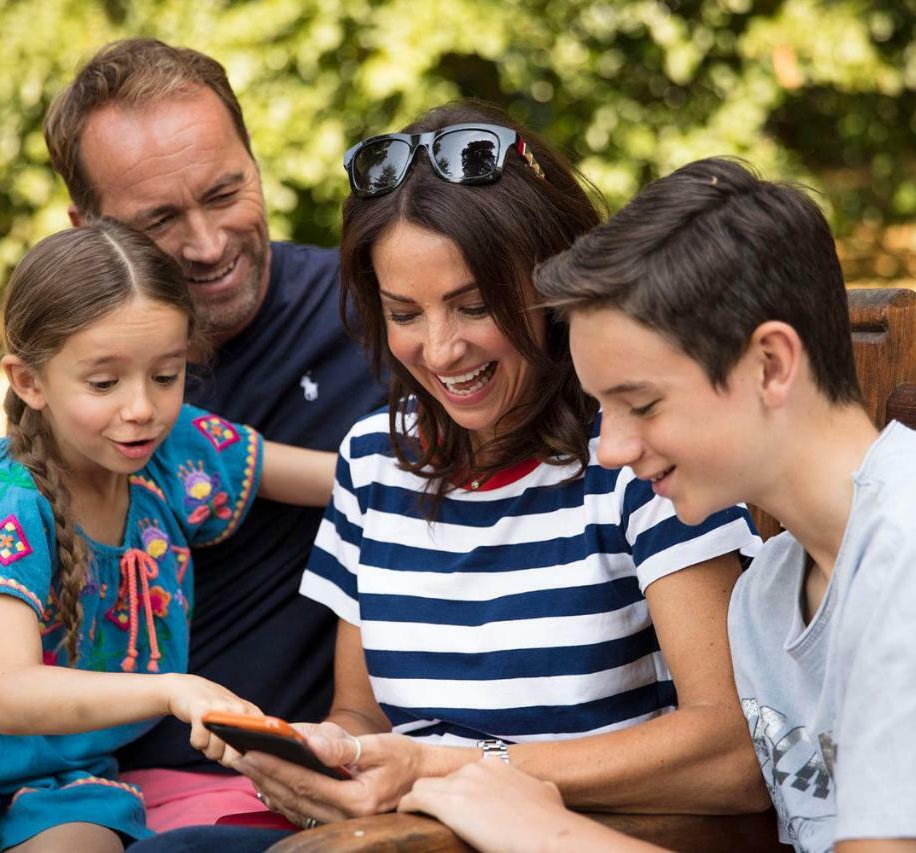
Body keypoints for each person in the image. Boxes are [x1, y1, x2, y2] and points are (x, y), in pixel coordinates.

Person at [134, 103, 767, 852]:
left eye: (473, 306)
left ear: (547, 286)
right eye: (404, 312)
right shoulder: (373, 460)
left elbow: (732, 753)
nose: (440, 350)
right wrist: (325, 759)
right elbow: (362, 717)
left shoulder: (637, 454)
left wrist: (447, 771)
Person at [399, 157, 916, 852]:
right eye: (604, 409)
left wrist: (545, 833)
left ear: (771, 364)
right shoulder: (769, 596)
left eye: (641, 403)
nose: (611, 448)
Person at [0, 39, 387, 831]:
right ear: (91, 229)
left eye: (225, 190)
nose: (206, 244)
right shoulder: (81, 390)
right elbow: (5, 548)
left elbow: (374, 477)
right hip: (8, 754)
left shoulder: (376, 318)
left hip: (145, 781)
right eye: (161, 219)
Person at [0, 221, 340, 852]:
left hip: (70, 780)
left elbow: (345, 480)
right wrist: (173, 691)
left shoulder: (176, 454)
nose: (141, 407)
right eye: (103, 382)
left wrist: (460, 464)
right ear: (29, 382)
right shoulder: (6, 497)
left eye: (166, 375)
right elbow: (10, 694)